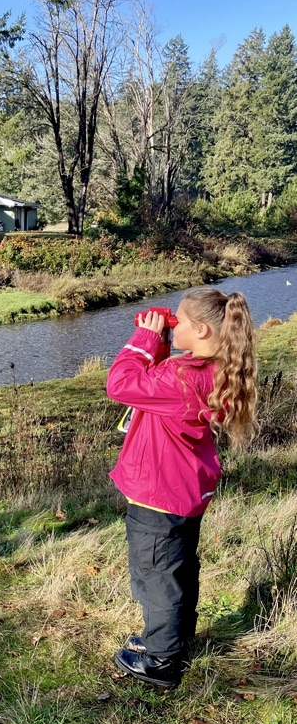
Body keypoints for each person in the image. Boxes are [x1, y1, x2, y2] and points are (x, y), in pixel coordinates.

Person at [106, 289, 257, 690]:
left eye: (180, 320)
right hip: (183, 491)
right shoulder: (209, 370)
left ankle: (161, 662)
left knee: (155, 576)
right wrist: (157, 344)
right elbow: (149, 388)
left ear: (202, 329)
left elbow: (121, 385)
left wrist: (141, 342)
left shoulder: (182, 376)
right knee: (177, 570)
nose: (174, 323)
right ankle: (174, 639)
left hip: (158, 494)